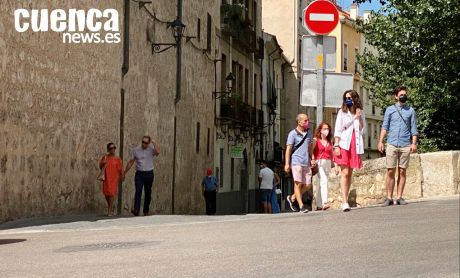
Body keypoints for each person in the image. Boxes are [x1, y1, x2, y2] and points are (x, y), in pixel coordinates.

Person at [378, 85, 418, 206]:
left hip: (406, 144)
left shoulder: (411, 110)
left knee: (402, 171)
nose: (403, 96)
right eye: (401, 94)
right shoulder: (390, 110)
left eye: (404, 94)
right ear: (396, 96)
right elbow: (385, 126)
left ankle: (399, 197)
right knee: (390, 171)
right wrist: (380, 141)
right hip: (392, 144)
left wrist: (414, 143)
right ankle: (389, 198)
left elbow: (414, 129)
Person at [333, 90, 366, 212]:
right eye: (346, 98)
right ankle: (344, 201)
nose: (348, 100)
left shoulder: (360, 112)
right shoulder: (342, 112)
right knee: (345, 172)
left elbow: (363, 131)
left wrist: (359, 118)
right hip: (343, 143)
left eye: (350, 98)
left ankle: (345, 199)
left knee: (350, 173)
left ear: (355, 99)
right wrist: (336, 145)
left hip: (355, 144)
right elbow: (338, 129)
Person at [284, 113, 314, 213]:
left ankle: (292, 197)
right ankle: (301, 206)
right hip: (296, 161)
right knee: (298, 183)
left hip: (306, 162)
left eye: (307, 120)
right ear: (299, 122)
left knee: (308, 185)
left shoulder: (309, 134)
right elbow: (288, 149)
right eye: (305, 121)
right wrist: (287, 164)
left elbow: (310, 148)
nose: (307, 122)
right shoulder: (292, 134)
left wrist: (312, 158)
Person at [124, 135, 160, 216]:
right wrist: (124, 172)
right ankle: (136, 210)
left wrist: (154, 143)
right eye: (143, 142)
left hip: (149, 173)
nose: (144, 144)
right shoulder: (136, 150)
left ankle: (146, 210)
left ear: (148, 143)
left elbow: (157, 153)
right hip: (139, 174)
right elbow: (131, 162)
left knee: (148, 192)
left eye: (146, 142)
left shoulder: (151, 148)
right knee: (138, 190)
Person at [311, 122, 338, 211]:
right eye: (324, 129)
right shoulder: (316, 139)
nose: (326, 130)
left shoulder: (330, 141)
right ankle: (325, 202)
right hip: (319, 162)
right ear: (320, 130)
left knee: (321, 182)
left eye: (327, 129)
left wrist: (336, 165)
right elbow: (311, 150)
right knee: (324, 180)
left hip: (328, 163)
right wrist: (313, 159)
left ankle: (318, 204)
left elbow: (332, 154)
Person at [98, 142, 124, 216]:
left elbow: (121, 168)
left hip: (114, 178)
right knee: (106, 193)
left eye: (114, 148)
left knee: (112, 193)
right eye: (111, 148)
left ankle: (109, 211)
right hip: (106, 177)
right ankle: (111, 207)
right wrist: (102, 163)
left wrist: (122, 175)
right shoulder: (105, 157)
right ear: (108, 149)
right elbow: (100, 167)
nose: (113, 149)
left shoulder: (118, 159)